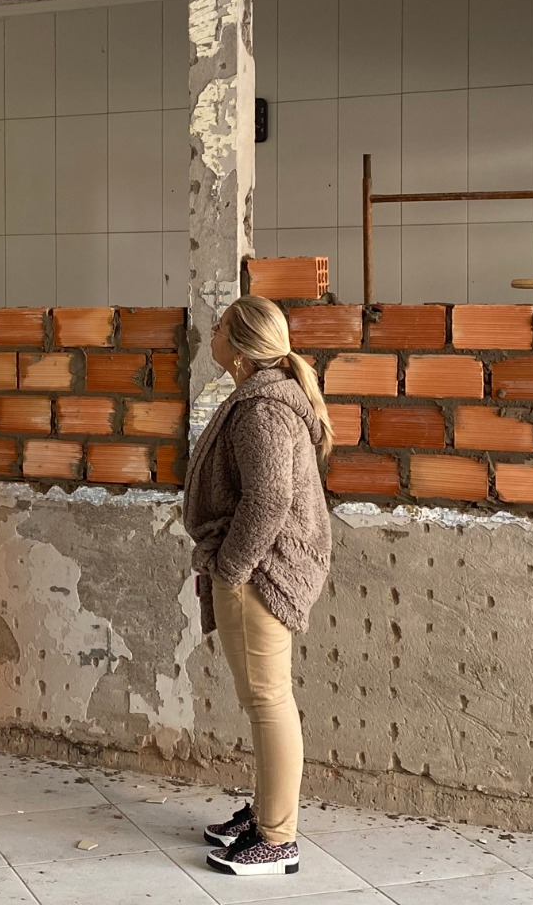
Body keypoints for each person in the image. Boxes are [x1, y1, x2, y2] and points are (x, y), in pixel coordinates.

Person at [183, 294, 334, 877]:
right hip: (262, 567)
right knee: (264, 701)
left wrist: (232, 569)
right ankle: (267, 814)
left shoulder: (261, 410)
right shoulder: (260, 396)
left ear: (241, 348)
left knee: (269, 703)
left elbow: (269, 501)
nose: (211, 332)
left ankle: (277, 839)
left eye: (220, 326)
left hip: (261, 573)